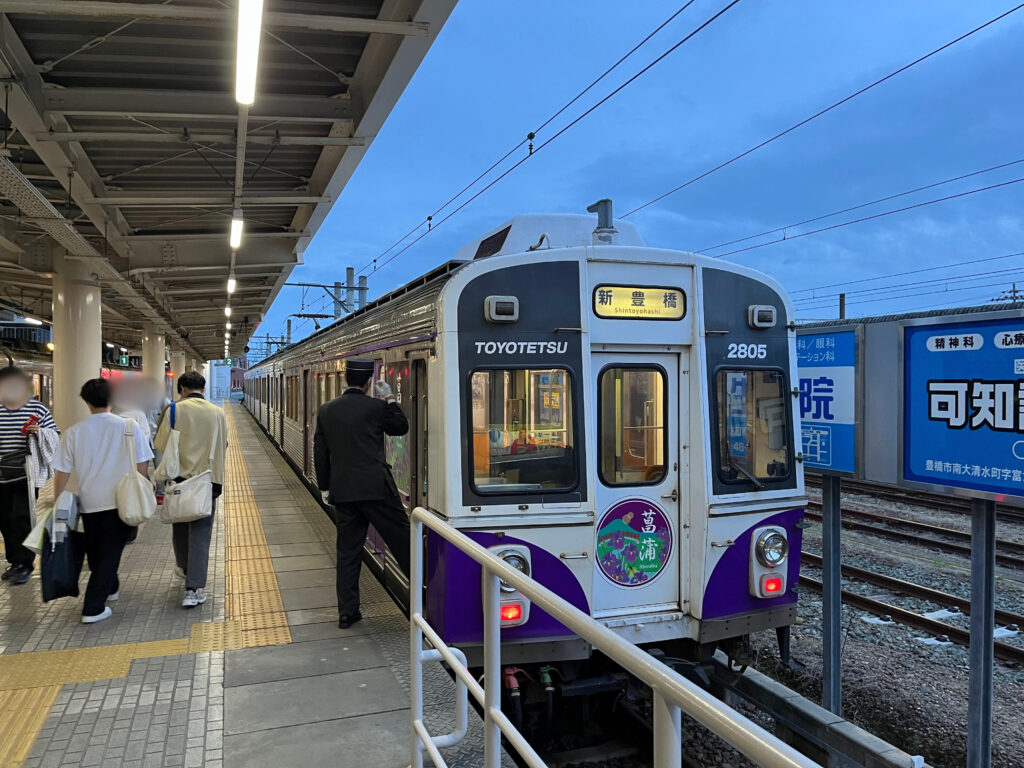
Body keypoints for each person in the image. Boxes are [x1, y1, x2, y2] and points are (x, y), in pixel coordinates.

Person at [314, 358, 410, 629]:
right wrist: (390, 398)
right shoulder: (377, 407)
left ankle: (347, 612)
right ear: (369, 382)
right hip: (377, 489)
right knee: (404, 542)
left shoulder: (327, 410)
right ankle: (426, 596)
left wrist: (324, 486)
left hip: (344, 492)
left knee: (347, 553)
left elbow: (320, 452)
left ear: (345, 380)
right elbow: (400, 426)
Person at [53, 378, 153, 623]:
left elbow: (61, 472)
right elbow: (142, 465)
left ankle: (111, 588)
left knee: (99, 550)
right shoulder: (130, 427)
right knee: (109, 553)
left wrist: (58, 502)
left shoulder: (73, 432)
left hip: (90, 502)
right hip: (122, 501)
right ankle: (93, 608)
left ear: (86, 401)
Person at [154, 370, 227, 608]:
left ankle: (184, 569)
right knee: (201, 535)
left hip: (179, 479)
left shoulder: (174, 410)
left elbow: (161, 444)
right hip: (206, 480)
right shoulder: (217, 413)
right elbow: (222, 445)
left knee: (180, 527)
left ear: (182, 388)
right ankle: (194, 589)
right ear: (203, 388)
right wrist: (218, 481)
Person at [0, 366, 58, 585]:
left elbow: (55, 435)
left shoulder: (37, 409)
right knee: (4, 518)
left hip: (25, 474)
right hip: (1, 474)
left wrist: (39, 431)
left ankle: (25, 563)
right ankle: (15, 561)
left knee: (20, 516)